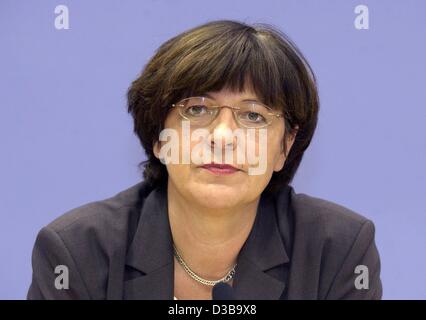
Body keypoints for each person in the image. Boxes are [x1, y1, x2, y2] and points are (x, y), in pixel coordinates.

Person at [27, 20, 382, 300]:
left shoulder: (335, 250)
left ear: (284, 146)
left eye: (254, 116)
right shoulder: (78, 253)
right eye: (197, 109)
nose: (223, 136)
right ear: (158, 137)